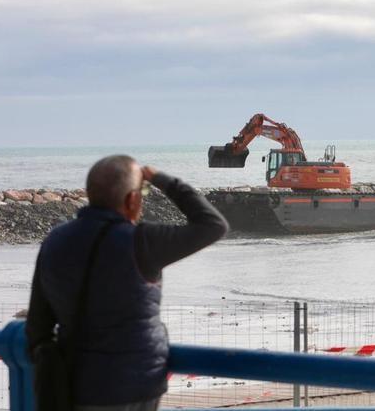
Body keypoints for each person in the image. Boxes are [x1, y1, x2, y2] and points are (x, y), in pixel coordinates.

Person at [25, 155, 229, 411]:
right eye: (141, 193)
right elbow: (213, 225)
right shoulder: (142, 241)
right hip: (135, 386)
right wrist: (161, 180)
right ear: (133, 200)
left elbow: (37, 328)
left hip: (74, 386)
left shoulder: (54, 241)